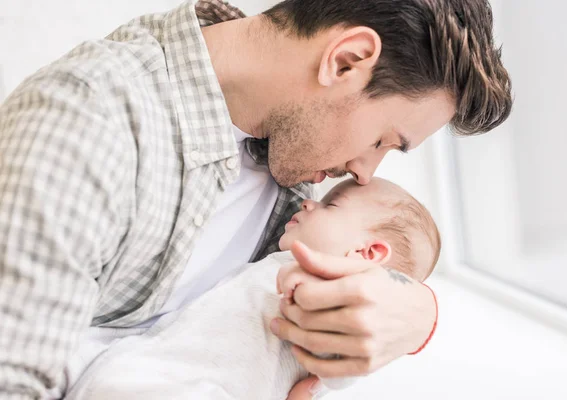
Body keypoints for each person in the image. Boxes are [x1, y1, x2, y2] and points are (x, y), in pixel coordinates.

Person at [0, 0, 512, 398]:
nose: (362, 173)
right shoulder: (87, 119)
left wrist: (418, 313)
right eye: (382, 140)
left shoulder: (289, 151)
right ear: (347, 60)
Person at [62, 178, 441, 400]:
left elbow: (344, 368)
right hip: (136, 363)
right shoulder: (278, 258)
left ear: (366, 253)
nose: (310, 201)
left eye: (331, 205)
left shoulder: (347, 307)